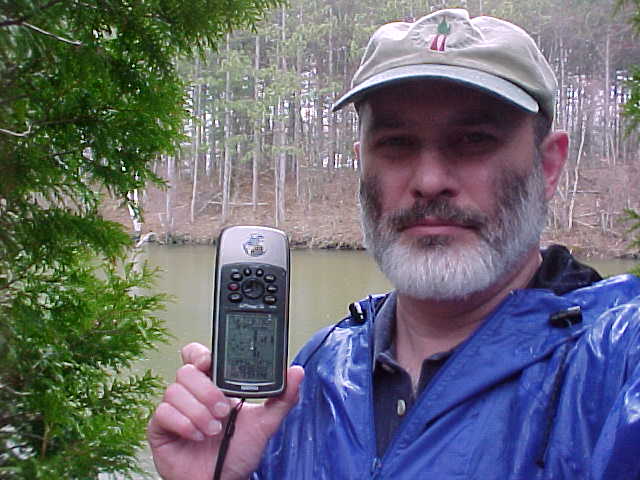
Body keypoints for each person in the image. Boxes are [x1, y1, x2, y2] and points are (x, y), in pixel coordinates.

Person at [147, 9, 640, 479]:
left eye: (473, 140)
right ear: (364, 165)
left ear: (547, 166)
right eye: (397, 144)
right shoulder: (316, 369)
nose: (428, 181)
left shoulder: (619, 356)